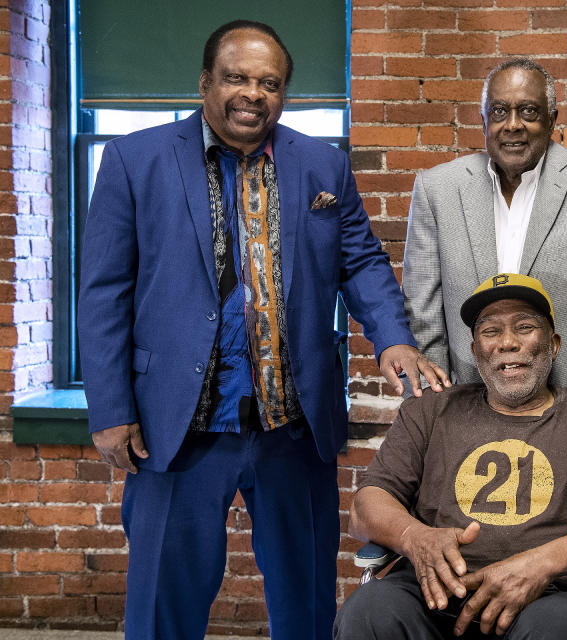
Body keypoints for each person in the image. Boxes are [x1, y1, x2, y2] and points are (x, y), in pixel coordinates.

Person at [77, 20, 448, 640]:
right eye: (237, 78)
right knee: (163, 604)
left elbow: (359, 261)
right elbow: (103, 292)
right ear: (204, 83)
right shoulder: (133, 160)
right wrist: (110, 407)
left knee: (305, 602)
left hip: (294, 426)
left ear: (284, 94)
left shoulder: (321, 165)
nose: (253, 93)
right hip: (178, 425)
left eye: (269, 83)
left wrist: (393, 336)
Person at [335, 273, 567, 639]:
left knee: (557, 629)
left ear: (554, 344)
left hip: (551, 597)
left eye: (524, 327)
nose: (507, 343)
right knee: (369, 612)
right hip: (435, 595)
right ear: (476, 350)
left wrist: (540, 564)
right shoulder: (430, 411)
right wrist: (414, 537)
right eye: (491, 332)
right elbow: (366, 506)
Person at [403, 57, 567, 396]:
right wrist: (433, 412)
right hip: (468, 403)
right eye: (499, 112)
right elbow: (423, 312)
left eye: (528, 112)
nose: (512, 125)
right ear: (484, 120)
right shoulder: (438, 189)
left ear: (552, 120)